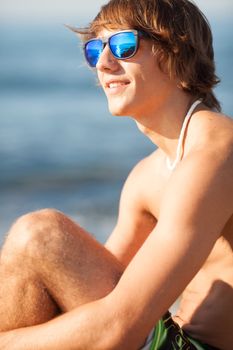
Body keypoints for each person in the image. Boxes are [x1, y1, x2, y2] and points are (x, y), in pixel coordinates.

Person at [0, 0, 232, 348]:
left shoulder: (215, 154)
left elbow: (119, 329)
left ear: (176, 52)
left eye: (124, 45)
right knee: (36, 246)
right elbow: (93, 299)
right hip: (173, 338)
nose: (104, 64)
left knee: (41, 234)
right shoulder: (146, 176)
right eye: (95, 50)